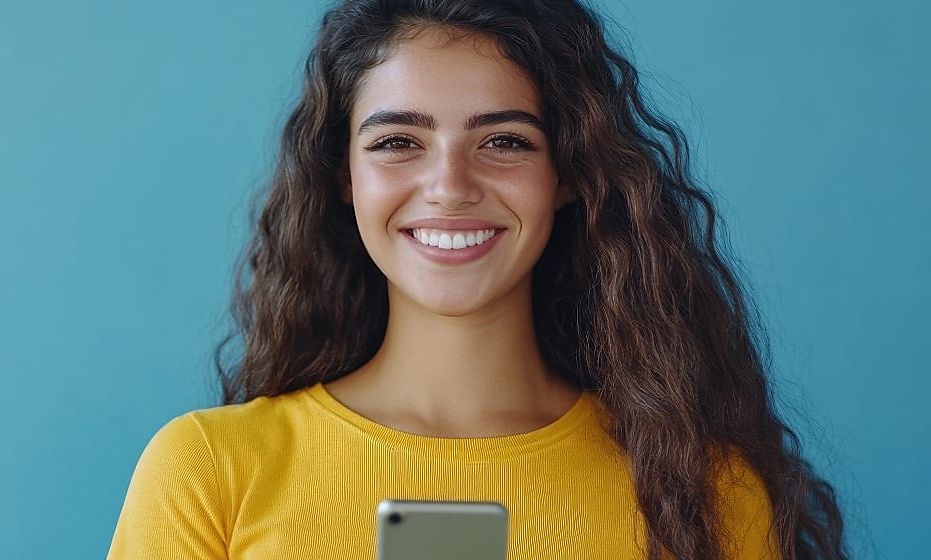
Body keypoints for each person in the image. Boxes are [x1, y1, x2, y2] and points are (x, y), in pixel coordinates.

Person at [107, 0, 848, 558]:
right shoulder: (208, 472)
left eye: (503, 141)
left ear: (567, 174)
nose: (450, 186)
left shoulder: (710, 496)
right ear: (344, 176)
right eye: (398, 141)